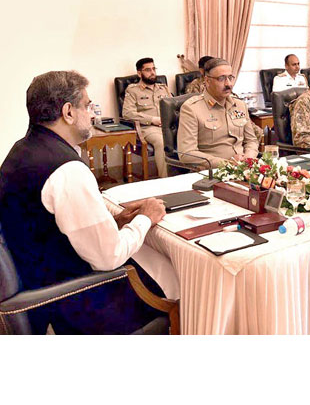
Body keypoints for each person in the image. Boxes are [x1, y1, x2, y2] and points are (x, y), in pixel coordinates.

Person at [0, 71, 177, 334]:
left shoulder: (23, 149)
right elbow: (109, 257)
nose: (94, 114)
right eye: (88, 106)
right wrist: (146, 217)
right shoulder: (66, 169)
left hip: (39, 277)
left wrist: (115, 221)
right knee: (178, 279)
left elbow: (47, 223)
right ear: (68, 112)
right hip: (75, 298)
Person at [177, 58, 259, 168]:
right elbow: (186, 153)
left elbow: (251, 140)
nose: (228, 84)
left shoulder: (240, 105)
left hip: (244, 168)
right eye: (221, 79)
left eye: (230, 78)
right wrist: (227, 164)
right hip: (213, 172)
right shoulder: (191, 108)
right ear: (207, 80)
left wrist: (249, 158)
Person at [122, 57, 171, 177]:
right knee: (161, 141)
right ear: (139, 73)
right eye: (148, 70)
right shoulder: (133, 90)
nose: (153, 72)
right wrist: (152, 120)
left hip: (168, 126)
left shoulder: (163, 88)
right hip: (148, 128)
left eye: (154, 69)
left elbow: (173, 107)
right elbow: (127, 113)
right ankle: (164, 179)